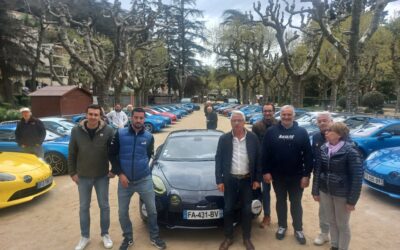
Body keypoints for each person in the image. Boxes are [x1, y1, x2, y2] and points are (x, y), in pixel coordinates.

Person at [109, 107, 166, 250]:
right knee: (122, 213)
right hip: (125, 181)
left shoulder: (148, 136)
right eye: (136, 117)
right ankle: (128, 238)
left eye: (141, 118)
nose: (138, 120)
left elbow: (148, 155)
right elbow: (111, 155)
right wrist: (120, 173)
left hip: (144, 179)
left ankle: (154, 236)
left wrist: (141, 168)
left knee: (152, 210)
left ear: (144, 119)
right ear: (131, 118)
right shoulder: (120, 134)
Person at [262, 105, 313, 245]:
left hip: (296, 176)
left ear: (294, 116)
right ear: (280, 115)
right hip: (278, 176)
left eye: (289, 114)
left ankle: (298, 229)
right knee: (280, 201)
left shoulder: (302, 132)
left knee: (296, 203)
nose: (286, 117)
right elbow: (265, 153)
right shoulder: (271, 132)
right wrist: (265, 171)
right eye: (284, 114)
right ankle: (282, 226)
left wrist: (306, 175)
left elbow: (308, 155)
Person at [68, 104, 115, 250]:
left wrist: (114, 169)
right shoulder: (76, 131)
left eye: (96, 114)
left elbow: (113, 151)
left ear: (100, 116)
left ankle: (105, 234)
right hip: (83, 177)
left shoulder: (108, 130)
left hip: (102, 176)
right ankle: (84, 236)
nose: (93, 117)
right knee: (83, 207)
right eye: (90, 114)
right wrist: (72, 173)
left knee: (104, 206)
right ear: (86, 114)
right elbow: (72, 153)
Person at [312, 122, 363, 250]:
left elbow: (357, 177)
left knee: (342, 224)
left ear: (339, 135)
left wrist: (352, 201)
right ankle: (334, 245)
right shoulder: (324, 148)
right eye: (326, 130)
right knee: (331, 221)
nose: (326, 132)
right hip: (325, 191)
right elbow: (318, 171)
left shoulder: (351, 151)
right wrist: (315, 191)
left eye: (330, 131)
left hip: (342, 193)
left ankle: (343, 247)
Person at [215, 110, 261, 250]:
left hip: (247, 180)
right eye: (234, 120)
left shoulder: (253, 138)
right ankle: (228, 237)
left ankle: (246, 238)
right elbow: (219, 159)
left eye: (239, 120)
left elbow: (259, 159)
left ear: (243, 121)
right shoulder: (224, 139)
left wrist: (257, 179)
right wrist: (219, 180)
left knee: (247, 210)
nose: (236, 123)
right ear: (230, 122)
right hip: (230, 180)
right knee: (228, 209)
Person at [251, 103, 277, 228]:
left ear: (274, 111)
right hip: (262, 165)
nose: (267, 113)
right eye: (265, 111)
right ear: (262, 112)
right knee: (264, 192)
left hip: (277, 165)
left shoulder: (279, 124)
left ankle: (282, 220)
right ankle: (266, 216)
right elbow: (254, 147)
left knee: (280, 194)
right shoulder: (257, 126)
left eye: (270, 111)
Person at [312, 112, 334, 246]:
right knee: (323, 210)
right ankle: (324, 234)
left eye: (325, 120)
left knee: (338, 213)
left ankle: (336, 238)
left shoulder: (342, 136)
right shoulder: (315, 137)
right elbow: (315, 160)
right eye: (319, 121)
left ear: (331, 121)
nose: (322, 123)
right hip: (321, 179)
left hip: (339, 182)